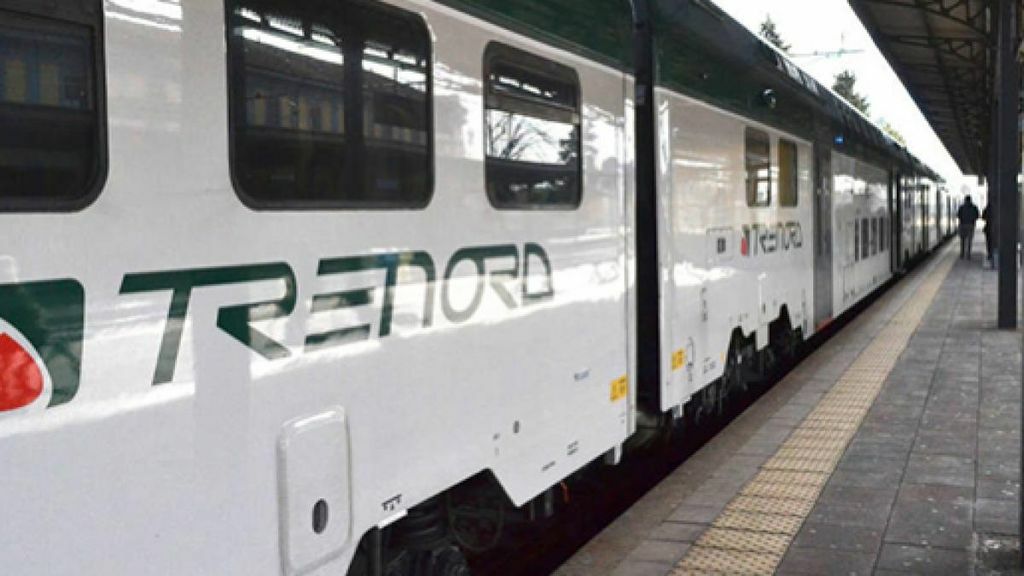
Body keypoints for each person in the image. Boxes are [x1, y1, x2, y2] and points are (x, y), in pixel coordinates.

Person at [957, 195, 980, 260]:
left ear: (965, 200)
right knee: (969, 240)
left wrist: (962, 219)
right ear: (970, 200)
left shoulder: (961, 207)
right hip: (971, 225)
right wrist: (973, 220)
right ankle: (968, 254)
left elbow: (958, 215)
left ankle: (962, 253)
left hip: (962, 225)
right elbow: (977, 216)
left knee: (962, 240)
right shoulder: (974, 207)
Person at [982, 202, 996, 267]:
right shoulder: (996, 210)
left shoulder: (986, 210)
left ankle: (990, 254)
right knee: (993, 242)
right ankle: (992, 254)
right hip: (994, 229)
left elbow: (983, 217)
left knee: (988, 242)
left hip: (988, 228)